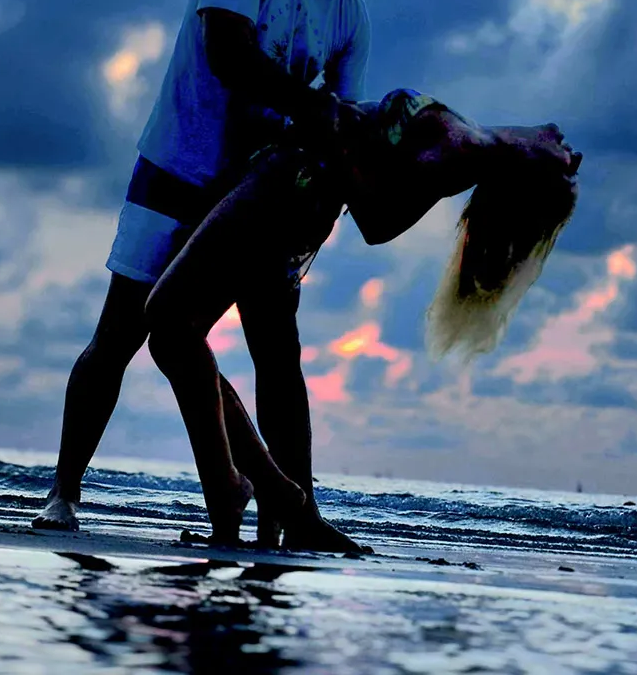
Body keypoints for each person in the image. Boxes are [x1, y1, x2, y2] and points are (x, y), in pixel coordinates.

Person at [33, 0, 405, 551]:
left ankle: (293, 515)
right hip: (177, 170)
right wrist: (315, 110)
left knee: (277, 350)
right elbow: (229, 56)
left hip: (259, 195)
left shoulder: (350, 11)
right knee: (121, 335)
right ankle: (64, 492)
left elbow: (344, 123)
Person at [142, 88, 581, 544]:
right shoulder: (472, 141)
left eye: (568, 167)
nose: (571, 149)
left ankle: (266, 489)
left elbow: (376, 221)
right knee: (275, 360)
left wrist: (337, 131)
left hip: (289, 187)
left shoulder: (464, 147)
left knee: (170, 324)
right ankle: (292, 516)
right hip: (303, 199)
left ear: (530, 173)